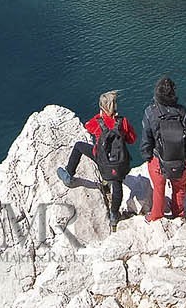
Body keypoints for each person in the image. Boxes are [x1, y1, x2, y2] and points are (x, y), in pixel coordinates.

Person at [57, 90, 137, 223]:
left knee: (78, 146)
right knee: (117, 185)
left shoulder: (98, 121)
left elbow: (87, 127)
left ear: (101, 108)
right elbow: (132, 139)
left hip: (100, 158)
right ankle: (114, 215)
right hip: (119, 162)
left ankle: (68, 176)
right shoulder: (123, 122)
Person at [141, 76, 186, 221]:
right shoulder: (183, 112)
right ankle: (178, 212)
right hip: (179, 159)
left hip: (159, 160)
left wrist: (147, 157)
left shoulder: (150, 112)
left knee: (159, 188)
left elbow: (147, 139)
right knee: (179, 187)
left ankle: (156, 215)